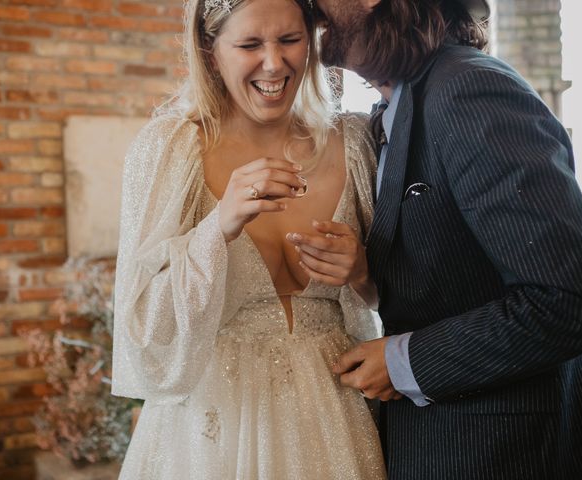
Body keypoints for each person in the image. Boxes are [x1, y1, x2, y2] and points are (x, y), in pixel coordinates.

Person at [288, 0, 582, 478]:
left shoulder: (470, 89)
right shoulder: (396, 108)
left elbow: (567, 299)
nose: (309, 8)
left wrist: (404, 362)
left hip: (499, 453)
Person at [111, 0, 387, 477]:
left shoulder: (357, 144)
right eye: (250, 44)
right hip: (209, 431)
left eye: (289, 40)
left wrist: (362, 272)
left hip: (333, 418)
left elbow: (409, 297)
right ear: (210, 50)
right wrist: (217, 226)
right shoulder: (170, 150)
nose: (274, 63)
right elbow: (143, 332)